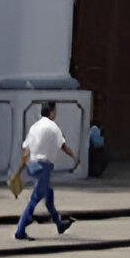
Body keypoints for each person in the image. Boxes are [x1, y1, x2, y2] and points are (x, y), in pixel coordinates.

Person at [15, 102, 77, 240]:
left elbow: (25, 151)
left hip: (32, 165)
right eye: (54, 111)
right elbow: (63, 146)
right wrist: (74, 157)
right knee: (35, 198)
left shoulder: (34, 127)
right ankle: (20, 230)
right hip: (43, 166)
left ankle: (59, 223)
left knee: (48, 194)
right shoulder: (53, 127)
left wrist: (19, 171)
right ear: (51, 112)